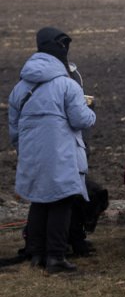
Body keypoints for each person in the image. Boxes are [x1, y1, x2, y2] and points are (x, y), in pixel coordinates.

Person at [8, 27, 97, 275]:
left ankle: (36, 253)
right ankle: (56, 258)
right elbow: (81, 120)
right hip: (61, 155)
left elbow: (14, 130)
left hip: (31, 154)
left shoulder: (20, 88)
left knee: (39, 201)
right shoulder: (67, 85)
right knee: (61, 201)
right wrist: (92, 110)